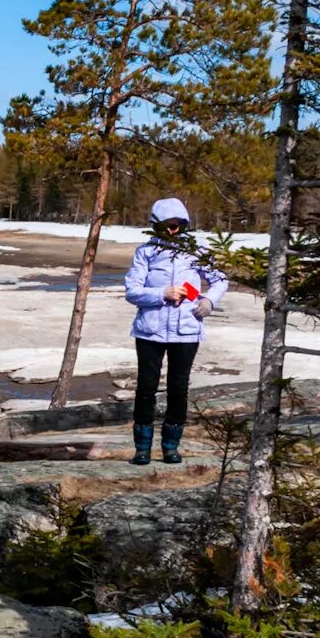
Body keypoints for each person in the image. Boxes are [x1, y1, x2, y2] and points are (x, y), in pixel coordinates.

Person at [122, 197, 227, 465]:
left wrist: (208, 301)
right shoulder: (145, 252)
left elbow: (219, 279)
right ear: (156, 225)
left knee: (178, 388)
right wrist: (162, 294)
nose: (174, 230)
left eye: (179, 225)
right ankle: (142, 448)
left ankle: (171, 446)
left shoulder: (197, 250)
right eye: (169, 226)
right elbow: (132, 291)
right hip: (149, 331)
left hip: (187, 330)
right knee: (146, 388)